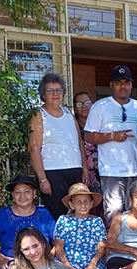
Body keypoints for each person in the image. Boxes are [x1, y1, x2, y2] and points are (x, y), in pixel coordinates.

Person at [85, 65, 137, 226]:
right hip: (111, 171)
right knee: (114, 213)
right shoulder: (100, 107)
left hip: (136, 170)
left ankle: (133, 247)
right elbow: (88, 135)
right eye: (118, 82)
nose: (123, 86)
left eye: (126, 82)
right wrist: (112, 136)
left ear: (131, 85)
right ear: (111, 85)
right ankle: (114, 249)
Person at [28, 72, 88, 220]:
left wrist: (85, 168)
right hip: (53, 172)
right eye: (50, 90)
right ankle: (57, 243)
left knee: (78, 213)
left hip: (74, 170)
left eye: (59, 90)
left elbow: (78, 142)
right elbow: (33, 149)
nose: (55, 94)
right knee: (58, 214)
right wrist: (42, 179)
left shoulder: (68, 113)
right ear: (43, 94)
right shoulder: (39, 115)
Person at [72, 91, 102, 196]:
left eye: (87, 103)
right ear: (75, 108)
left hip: (103, 170)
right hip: (81, 172)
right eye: (79, 104)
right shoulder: (72, 127)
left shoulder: (101, 124)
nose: (84, 106)